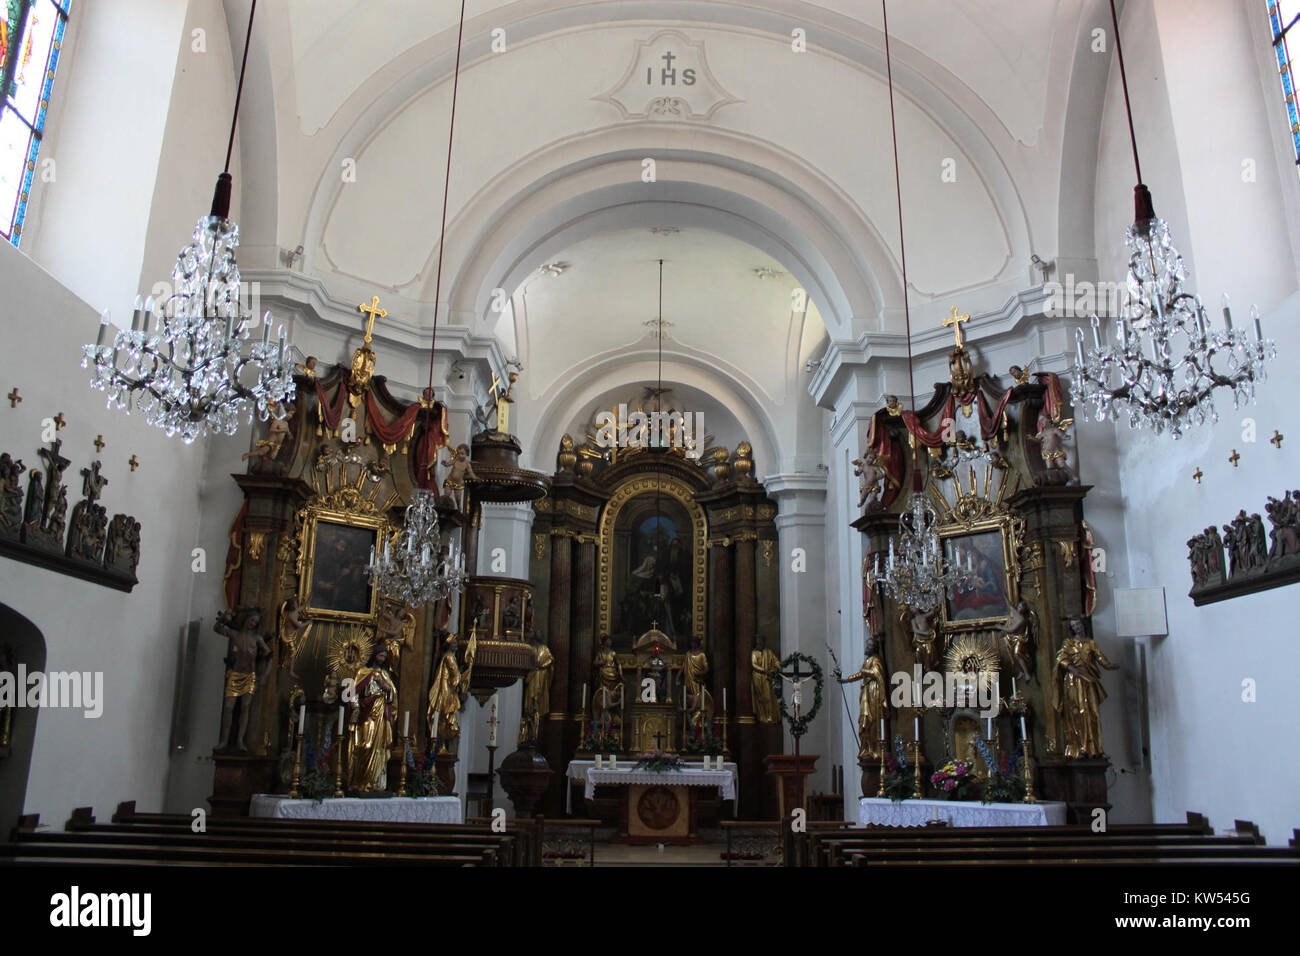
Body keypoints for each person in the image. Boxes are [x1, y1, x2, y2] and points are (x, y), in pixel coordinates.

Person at [214, 609, 272, 753]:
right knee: (228, 707)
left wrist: (265, 675)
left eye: (255, 622)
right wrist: (222, 620)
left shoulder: (257, 639)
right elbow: (217, 629)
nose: (252, 623)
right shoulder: (236, 634)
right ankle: (224, 740)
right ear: (246, 619)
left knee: (245, 708)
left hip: (249, 676)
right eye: (251, 620)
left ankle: (240, 740)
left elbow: (269, 655)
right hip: (235, 675)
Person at [348, 646, 397, 792]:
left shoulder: (384, 675)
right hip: (367, 714)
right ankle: (363, 780)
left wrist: (386, 687)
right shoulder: (363, 672)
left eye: (384, 657)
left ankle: (376, 782)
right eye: (380, 656)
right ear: (374, 656)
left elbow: (392, 694)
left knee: (379, 746)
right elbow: (354, 692)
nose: (381, 659)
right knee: (366, 745)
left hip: (381, 715)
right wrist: (356, 707)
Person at [751, 634, 781, 725]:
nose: (759, 643)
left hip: (766, 677)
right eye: (758, 641)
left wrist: (777, 666)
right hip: (758, 676)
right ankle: (762, 716)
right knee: (760, 697)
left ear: (763, 642)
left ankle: (770, 716)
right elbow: (754, 664)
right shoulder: (754, 653)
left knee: (767, 697)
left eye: (761, 641)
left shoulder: (769, 652)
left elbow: (776, 661)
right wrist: (764, 670)